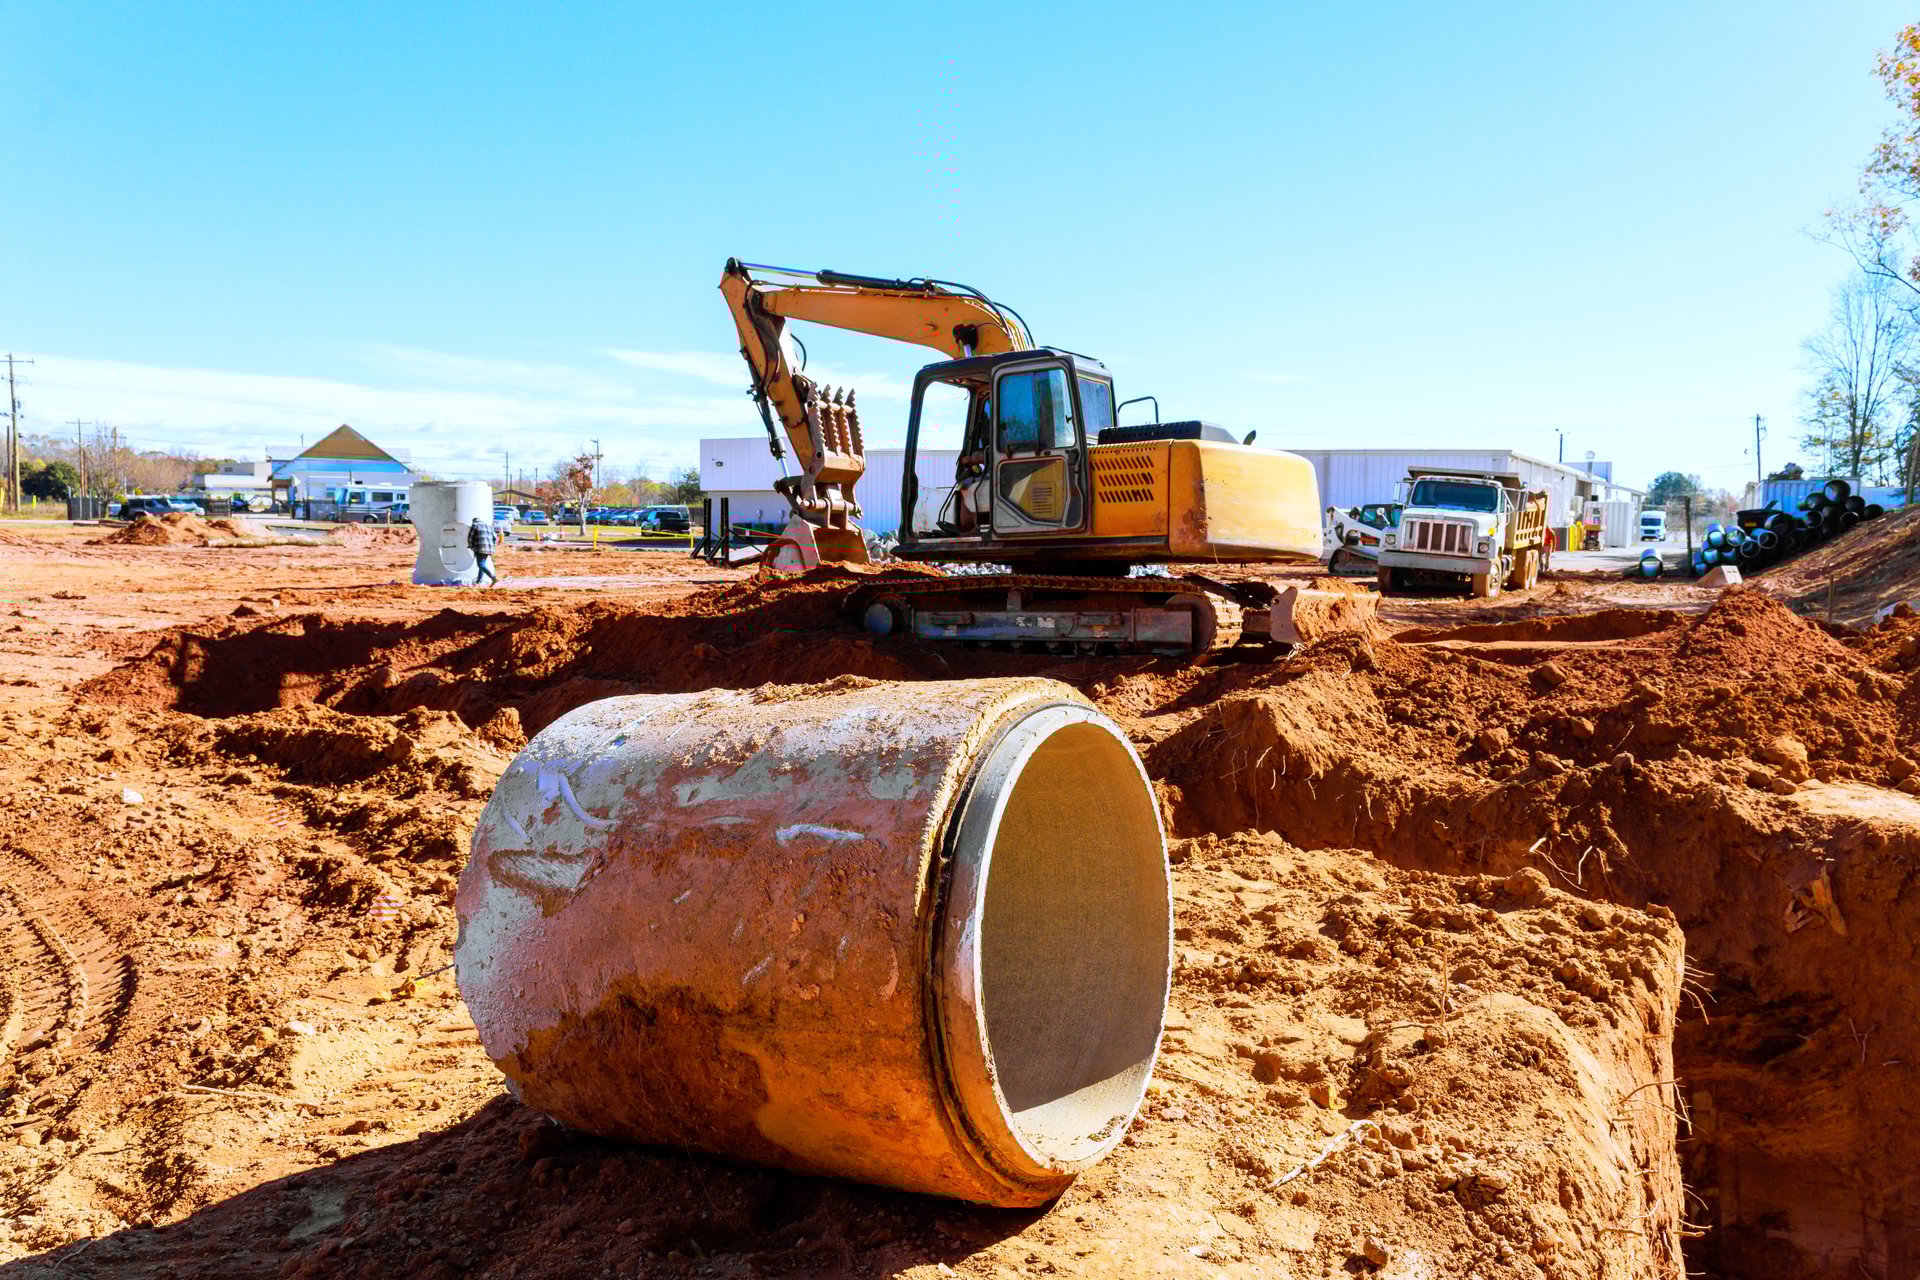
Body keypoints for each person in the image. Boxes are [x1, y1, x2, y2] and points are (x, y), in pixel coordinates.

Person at [467, 516, 499, 587]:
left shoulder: (475, 525)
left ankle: (493, 578)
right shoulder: (488, 526)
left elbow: (470, 538)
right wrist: (491, 546)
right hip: (489, 548)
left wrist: (471, 546)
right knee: (482, 564)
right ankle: (479, 581)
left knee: (480, 564)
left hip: (480, 547)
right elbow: (495, 538)